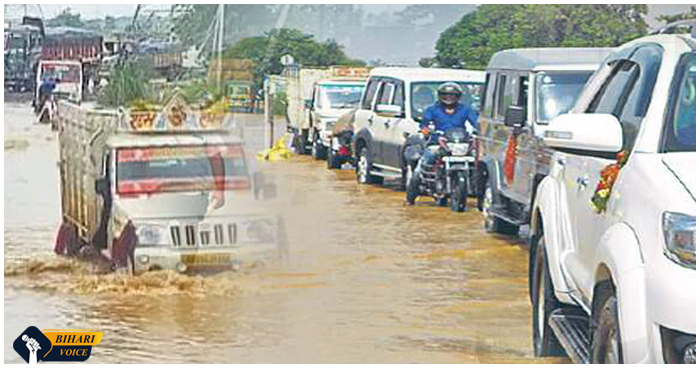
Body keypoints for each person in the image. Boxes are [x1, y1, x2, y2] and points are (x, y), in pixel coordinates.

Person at [418, 82, 479, 167]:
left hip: (460, 143)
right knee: (430, 156)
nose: (449, 98)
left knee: (477, 159)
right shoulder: (433, 109)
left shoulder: (465, 109)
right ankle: (419, 175)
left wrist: (478, 131)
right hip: (438, 141)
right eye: (445, 95)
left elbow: (476, 122)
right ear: (440, 95)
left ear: (458, 96)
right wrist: (426, 131)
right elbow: (424, 124)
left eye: (452, 95)